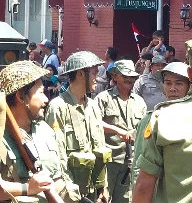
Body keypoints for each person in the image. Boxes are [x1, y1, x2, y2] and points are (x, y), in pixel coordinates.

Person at [0, 61, 81, 203]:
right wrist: (27, 188)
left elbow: (56, 176)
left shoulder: (44, 130)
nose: (46, 99)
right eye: (40, 93)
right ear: (21, 97)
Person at [45, 51, 110, 202]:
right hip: (69, 191)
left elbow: (100, 148)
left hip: (93, 190)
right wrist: (68, 192)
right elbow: (57, 155)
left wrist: (103, 187)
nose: (97, 78)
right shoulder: (58, 107)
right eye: (94, 73)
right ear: (81, 74)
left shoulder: (93, 107)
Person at [131, 62, 192, 203]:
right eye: (168, 83)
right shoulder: (152, 118)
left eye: (179, 84)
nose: (173, 89)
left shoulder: (162, 116)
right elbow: (139, 169)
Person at [95, 60, 147, 203]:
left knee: (125, 199)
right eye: (125, 75)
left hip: (130, 162)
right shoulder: (103, 98)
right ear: (115, 76)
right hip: (108, 162)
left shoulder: (139, 102)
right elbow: (94, 123)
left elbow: (144, 130)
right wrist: (117, 130)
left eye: (132, 77)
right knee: (102, 198)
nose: (129, 79)